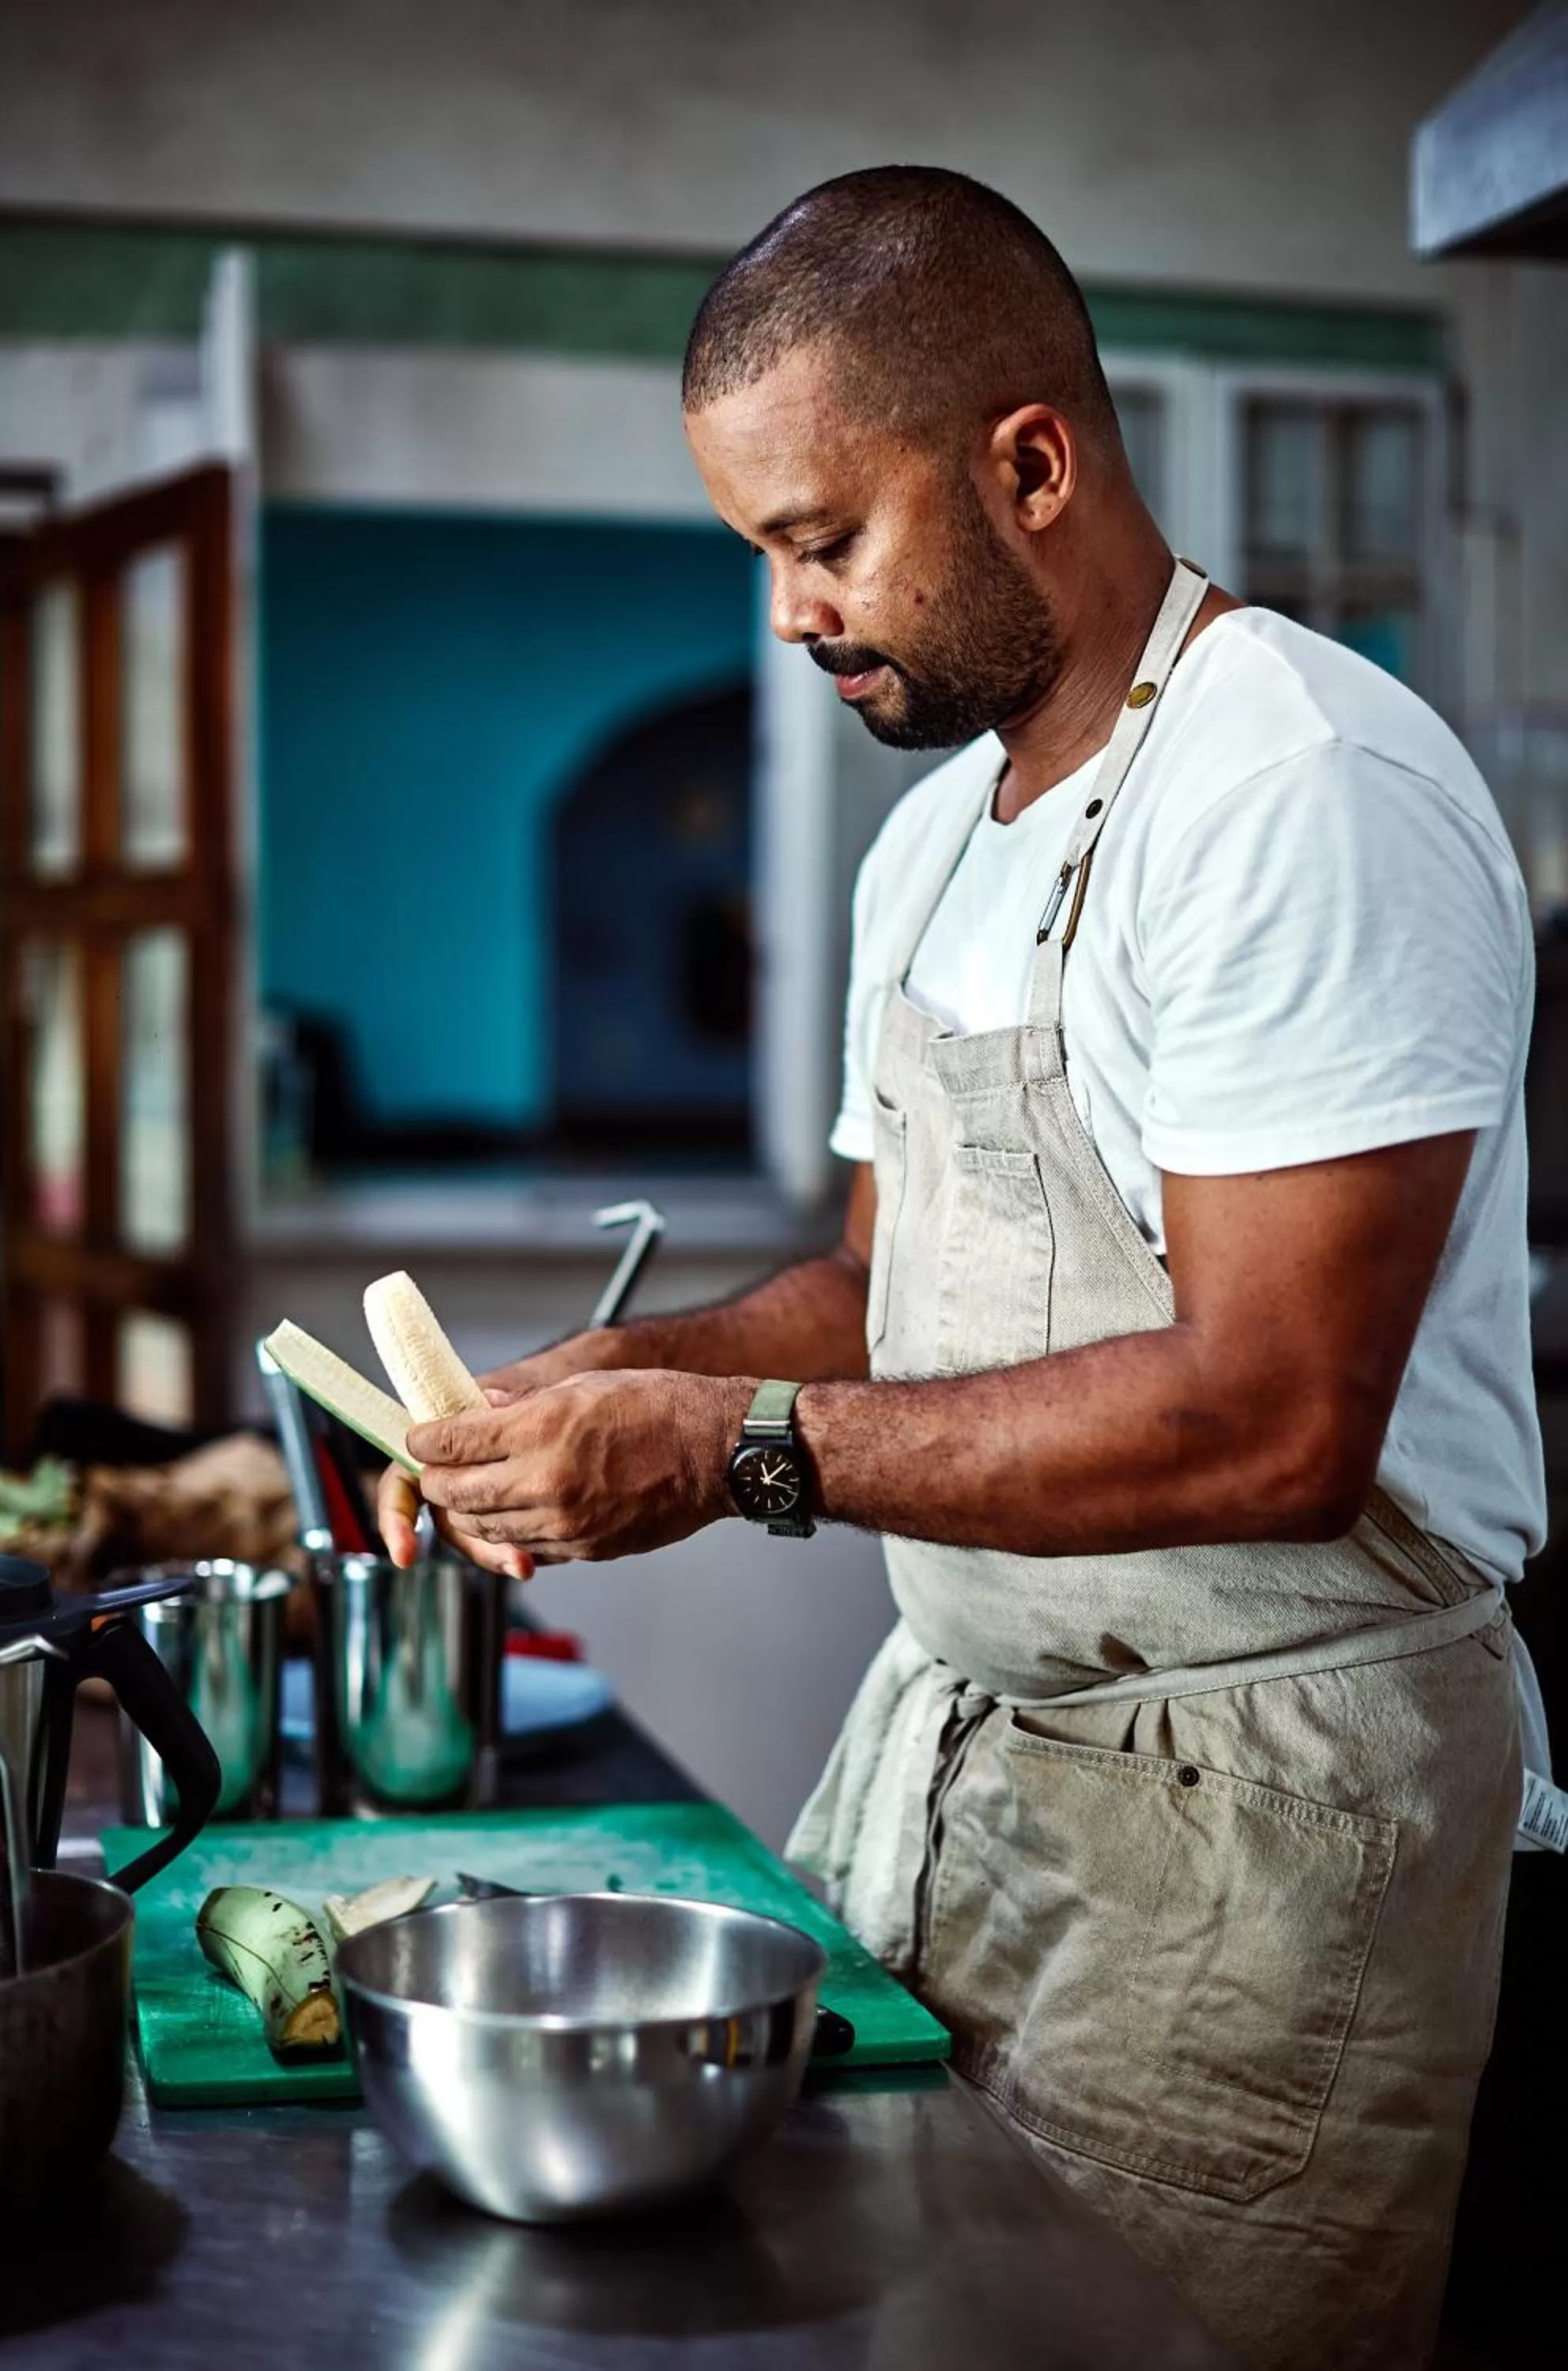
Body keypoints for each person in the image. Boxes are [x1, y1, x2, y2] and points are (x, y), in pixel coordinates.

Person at [379, 168, 1546, 2370]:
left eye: (826, 540)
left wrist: (735, 1454)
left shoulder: (1292, 789)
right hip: (970, 1784)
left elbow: (1282, 1418)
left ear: (1029, 464)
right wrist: (639, 1363)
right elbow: (876, 1285)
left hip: (1262, 1842)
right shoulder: (935, 843)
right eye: (763, 561)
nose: (796, 617)